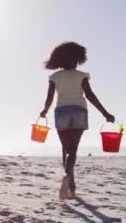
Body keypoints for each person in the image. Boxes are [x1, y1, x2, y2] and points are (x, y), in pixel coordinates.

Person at [39, 42, 114, 199]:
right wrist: (105, 113)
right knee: (73, 150)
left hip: (62, 112)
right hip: (79, 111)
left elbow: (49, 98)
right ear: (78, 59)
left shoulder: (55, 77)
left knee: (65, 150)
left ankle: (69, 182)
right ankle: (69, 180)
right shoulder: (81, 76)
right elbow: (90, 96)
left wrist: (44, 111)